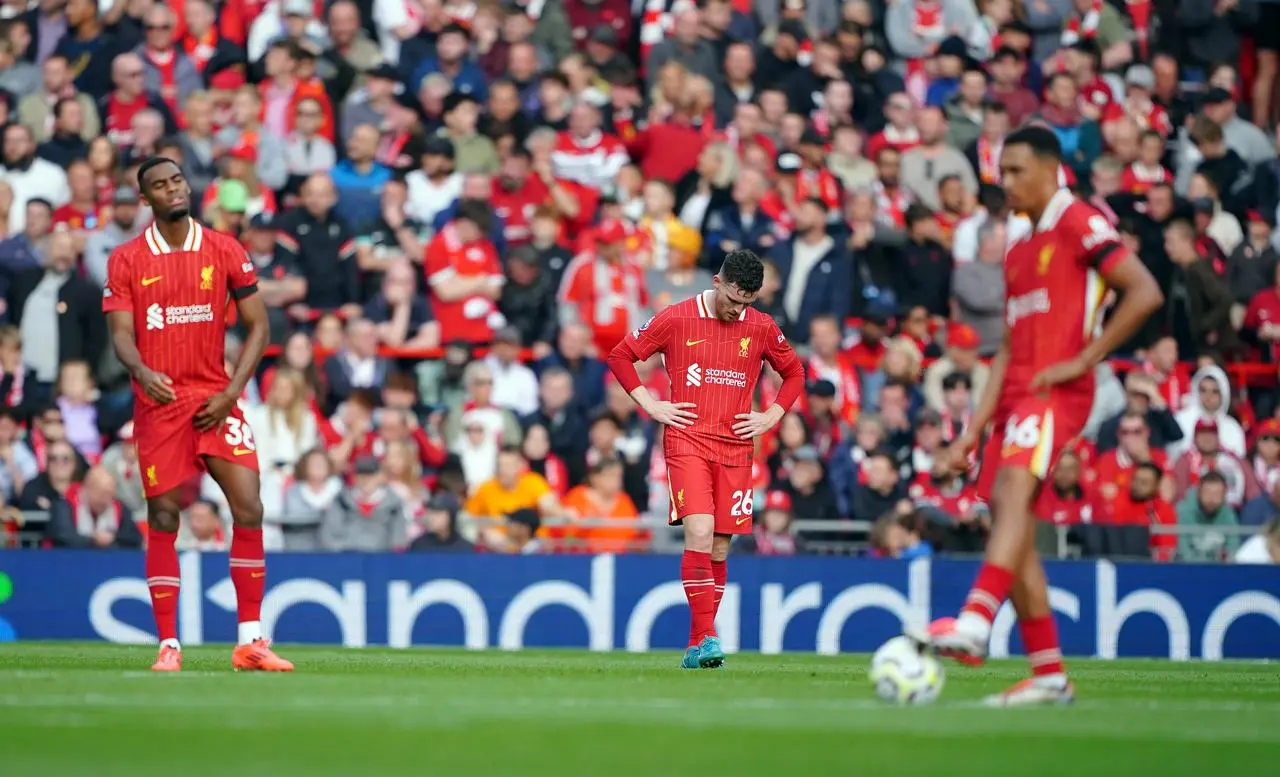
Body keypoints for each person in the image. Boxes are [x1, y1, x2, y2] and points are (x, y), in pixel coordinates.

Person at [920, 126, 1163, 704]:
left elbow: (1144, 291)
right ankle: (1050, 673)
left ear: (1052, 169)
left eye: (1015, 172)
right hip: (1015, 397)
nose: (1005, 184)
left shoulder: (1079, 221)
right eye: (1000, 174)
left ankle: (977, 618)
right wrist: (971, 433)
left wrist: (1084, 359)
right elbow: (1005, 347)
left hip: (1057, 391)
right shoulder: (1019, 245)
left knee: (1012, 494)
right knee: (1015, 520)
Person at [102, 156, 293, 674]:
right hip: (160, 404)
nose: (173, 190)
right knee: (164, 516)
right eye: (160, 186)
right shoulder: (126, 259)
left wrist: (232, 392)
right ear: (146, 199)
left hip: (215, 398)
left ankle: (251, 641)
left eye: (177, 180)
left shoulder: (224, 249)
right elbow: (120, 334)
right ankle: (168, 644)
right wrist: (141, 372)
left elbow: (260, 327)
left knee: (249, 507)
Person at [606, 250, 805, 669]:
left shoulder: (763, 326)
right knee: (699, 530)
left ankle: (696, 645)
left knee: (718, 547)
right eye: (734, 299)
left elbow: (795, 373)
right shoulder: (676, 317)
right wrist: (652, 405)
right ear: (718, 281)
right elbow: (621, 356)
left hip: (736, 447)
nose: (739, 310)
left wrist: (771, 416)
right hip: (688, 440)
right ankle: (709, 636)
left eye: (748, 302)